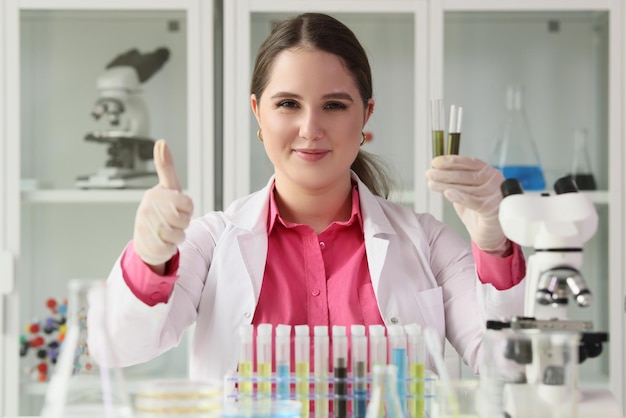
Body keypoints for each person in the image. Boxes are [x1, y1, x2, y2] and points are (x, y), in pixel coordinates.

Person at [91, 12, 525, 383]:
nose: (310, 128)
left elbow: (512, 368)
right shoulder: (212, 240)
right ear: (258, 112)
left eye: (334, 105)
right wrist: (150, 258)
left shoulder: (427, 242)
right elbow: (117, 348)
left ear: (365, 115)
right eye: (288, 104)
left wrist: (494, 242)